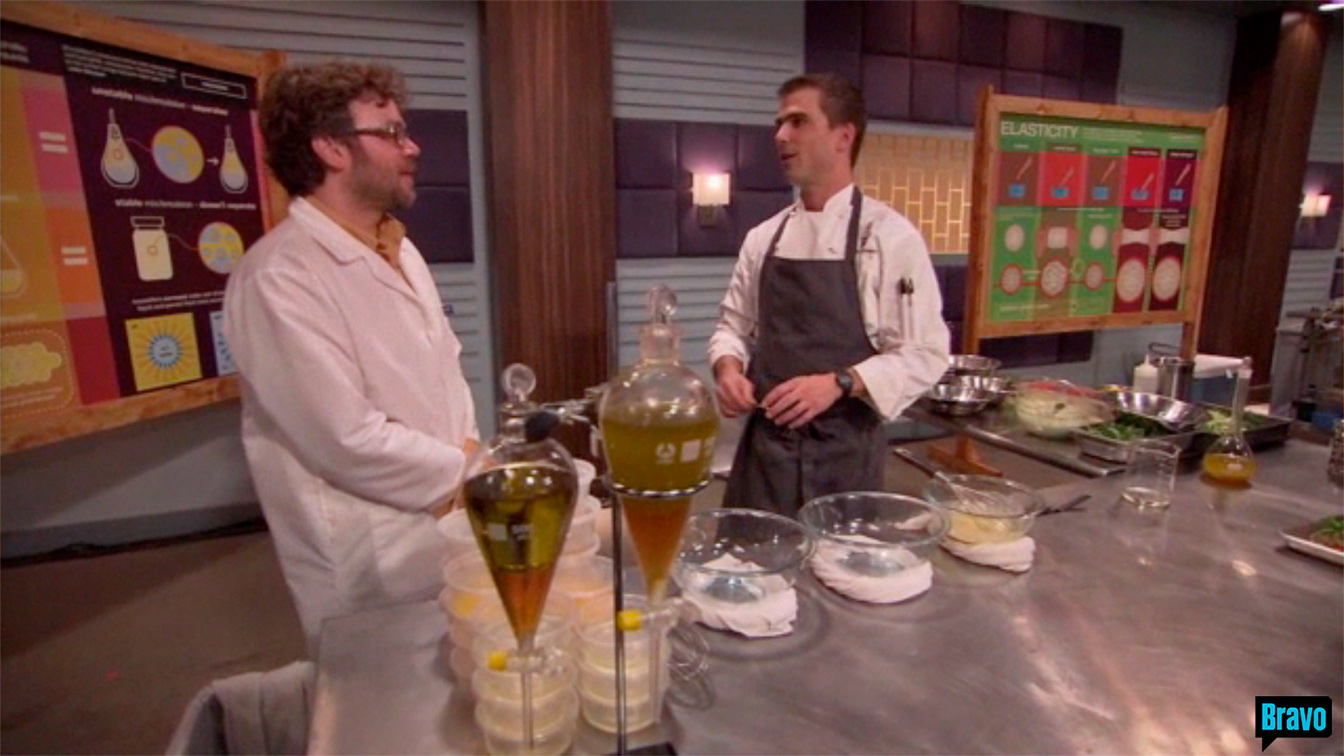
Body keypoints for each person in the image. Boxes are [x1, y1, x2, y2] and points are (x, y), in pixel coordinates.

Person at [223, 61, 478, 653]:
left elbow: (443, 373)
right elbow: (343, 437)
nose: (411, 147)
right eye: (390, 133)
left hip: (441, 527)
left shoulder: (400, 250)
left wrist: (467, 468)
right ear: (332, 148)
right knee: (378, 705)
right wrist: (468, 474)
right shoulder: (279, 277)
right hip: (365, 554)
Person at [708, 73, 950, 517]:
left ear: (843, 137)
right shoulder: (764, 239)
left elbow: (926, 353)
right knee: (755, 568)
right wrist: (727, 369)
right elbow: (732, 327)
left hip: (846, 457)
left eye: (798, 122)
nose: (781, 136)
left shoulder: (888, 238)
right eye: (779, 123)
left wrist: (840, 383)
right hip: (766, 455)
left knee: (836, 576)